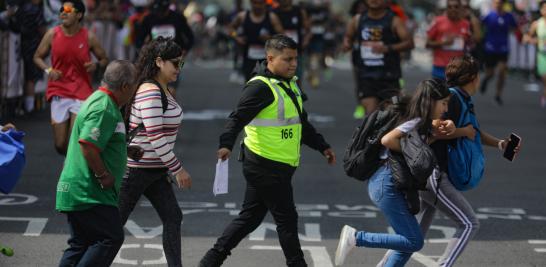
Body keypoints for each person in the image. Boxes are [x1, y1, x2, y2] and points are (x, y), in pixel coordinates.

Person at [198, 34, 335, 267]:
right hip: (264, 164)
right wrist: (225, 144)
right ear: (270, 58)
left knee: (250, 218)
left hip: (280, 164)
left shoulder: (290, 84)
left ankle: (211, 260)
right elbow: (236, 118)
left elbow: (300, 124)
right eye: (287, 59)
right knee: (287, 219)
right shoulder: (260, 88)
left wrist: (322, 146)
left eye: (295, 59)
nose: (293, 64)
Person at [404, 55, 518, 267]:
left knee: (413, 236)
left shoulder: (462, 98)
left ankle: (382, 262)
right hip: (434, 173)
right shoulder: (453, 98)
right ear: (474, 78)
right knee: (469, 223)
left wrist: (501, 144)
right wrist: (460, 131)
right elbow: (434, 130)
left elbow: (473, 131)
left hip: (429, 174)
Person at [334, 78, 455, 267]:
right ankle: (356, 237)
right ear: (431, 101)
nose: (446, 108)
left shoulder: (418, 122)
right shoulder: (415, 119)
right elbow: (388, 140)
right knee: (414, 241)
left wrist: (432, 135)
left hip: (388, 183)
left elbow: (413, 149)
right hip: (386, 182)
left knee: (405, 245)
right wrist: (410, 150)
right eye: (444, 103)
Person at [55, 60, 138, 267]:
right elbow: (88, 145)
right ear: (126, 87)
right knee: (110, 238)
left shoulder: (102, 102)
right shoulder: (103, 108)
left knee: (81, 243)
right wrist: (104, 175)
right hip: (90, 191)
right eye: (135, 84)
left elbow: (99, 141)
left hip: (81, 189)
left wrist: (124, 150)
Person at [118, 37, 192, 267]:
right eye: (175, 63)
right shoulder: (150, 90)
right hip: (136, 171)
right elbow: (155, 135)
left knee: (173, 217)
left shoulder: (163, 89)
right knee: (111, 229)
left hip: (155, 171)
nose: (179, 69)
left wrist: (167, 167)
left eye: (181, 63)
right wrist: (177, 169)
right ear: (159, 61)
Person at [34, 0, 108, 155]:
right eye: (62, 9)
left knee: (75, 141)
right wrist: (48, 70)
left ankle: (73, 172)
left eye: (68, 9)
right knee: (60, 144)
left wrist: (96, 65)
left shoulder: (89, 37)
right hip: (59, 91)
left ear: (79, 15)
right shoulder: (52, 34)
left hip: (81, 92)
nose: (63, 12)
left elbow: (104, 58)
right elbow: (37, 57)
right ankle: (72, 163)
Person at [343, 0, 414, 115]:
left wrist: (388, 48)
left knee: (390, 115)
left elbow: (409, 43)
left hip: (389, 77)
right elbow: (348, 37)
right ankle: (372, 132)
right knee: (371, 114)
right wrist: (347, 44)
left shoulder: (394, 21)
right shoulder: (358, 20)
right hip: (366, 76)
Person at [229, 0, 284, 82]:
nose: (258, 6)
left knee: (266, 86)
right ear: (251, 3)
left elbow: (282, 36)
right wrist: (237, 37)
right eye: (255, 3)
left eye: (260, 3)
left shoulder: (271, 17)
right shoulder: (243, 16)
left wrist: (270, 38)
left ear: (265, 4)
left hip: (267, 59)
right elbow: (231, 29)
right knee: (251, 84)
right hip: (248, 58)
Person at [479, 0, 517, 105]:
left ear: (503, 3)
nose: (498, 4)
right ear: (493, 3)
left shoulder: (509, 16)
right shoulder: (488, 15)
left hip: (503, 48)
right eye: (496, 2)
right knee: (491, 73)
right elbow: (479, 25)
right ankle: (486, 79)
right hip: (490, 48)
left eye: (500, 2)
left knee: (502, 71)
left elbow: (515, 27)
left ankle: (498, 95)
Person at [426, 0, 472, 80]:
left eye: (456, 7)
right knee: (439, 92)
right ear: (446, 9)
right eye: (450, 7)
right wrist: (444, 43)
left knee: (453, 92)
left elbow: (468, 44)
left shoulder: (466, 24)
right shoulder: (438, 21)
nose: (453, 9)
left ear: (461, 8)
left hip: (458, 68)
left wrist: (467, 41)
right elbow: (427, 44)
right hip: (440, 67)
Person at [273, 0, 311, 90]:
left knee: (296, 80)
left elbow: (308, 30)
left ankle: (296, 100)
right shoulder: (273, 13)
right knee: (279, 81)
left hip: (296, 52)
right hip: (279, 52)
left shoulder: (299, 12)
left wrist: (306, 40)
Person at [523, 0, 546, 108]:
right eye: (544, 8)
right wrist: (535, 41)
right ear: (541, 10)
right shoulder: (537, 24)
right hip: (542, 56)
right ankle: (544, 97)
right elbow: (527, 37)